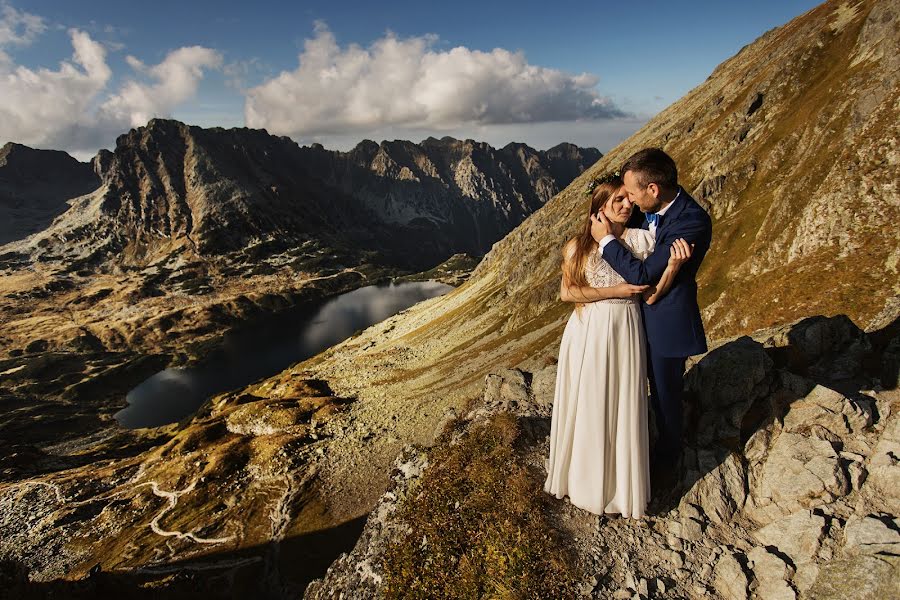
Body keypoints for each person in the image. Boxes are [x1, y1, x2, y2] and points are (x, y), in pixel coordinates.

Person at [544, 172, 692, 518]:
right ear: (600, 208)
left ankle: (617, 489)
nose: (627, 205)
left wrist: (672, 266)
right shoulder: (578, 246)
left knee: (622, 402)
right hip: (588, 331)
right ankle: (584, 483)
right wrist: (615, 291)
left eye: (629, 199)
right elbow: (568, 293)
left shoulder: (643, 240)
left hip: (625, 330)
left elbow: (653, 294)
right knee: (591, 401)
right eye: (618, 201)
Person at [591, 148, 712, 485]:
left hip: (664, 320)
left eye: (631, 193)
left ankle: (667, 463)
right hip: (628, 320)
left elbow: (643, 273)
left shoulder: (691, 221)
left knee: (665, 394)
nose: (628, 201)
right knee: (628, 389)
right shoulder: (648, 211)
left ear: (653, 189)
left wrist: (605, 242)